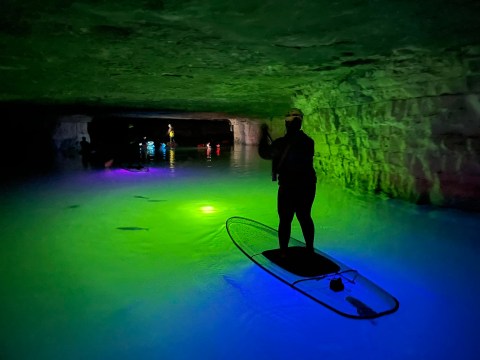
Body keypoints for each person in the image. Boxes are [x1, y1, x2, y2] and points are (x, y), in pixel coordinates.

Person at [258, 108, 317, 258]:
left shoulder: (281, 143)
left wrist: (263, 134)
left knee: (285, 220)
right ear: (300, 122)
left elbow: (264, 153)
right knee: (305, 216)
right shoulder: (309, 142)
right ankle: (310, 249)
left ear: (286, 123)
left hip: (289, 186)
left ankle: (283, 251)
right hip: (307, 186)